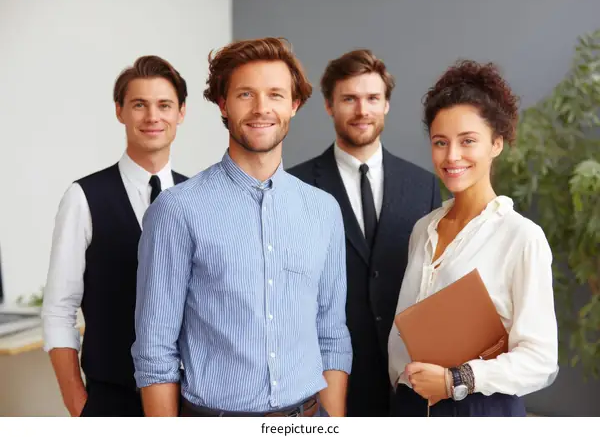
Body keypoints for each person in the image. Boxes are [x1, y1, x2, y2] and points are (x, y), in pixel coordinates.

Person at [131, 37, 353, 418]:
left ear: (295, 105)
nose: (261, 108)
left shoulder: (324, 211)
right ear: (223, 104)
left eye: (276, 95)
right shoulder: (176, 210)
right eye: (246, 94)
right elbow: (155, 350)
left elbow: (331, 334)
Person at [388, 60, 559, 417]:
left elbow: (540, 360)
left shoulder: (521, 237)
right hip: (411, 406)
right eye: (440, 142)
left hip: (479, 408)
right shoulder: (423, 229)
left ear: (497, 143)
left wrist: (456, 379)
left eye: (468, 141)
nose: (452, 156)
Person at [287, 49, 441, 416]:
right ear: (329, 105)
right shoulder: (294, 186)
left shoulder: (424, 185)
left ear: (386, 104)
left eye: (372, 98)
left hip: (409, 378)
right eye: (349, 99)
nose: (362, 110)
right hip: (326, 377)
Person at [41, 55, 189, 417]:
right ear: (120, 111)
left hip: (191, 400)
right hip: (111, 402)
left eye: (164, 105)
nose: (153, 117)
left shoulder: (198, 198)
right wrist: (78, 404)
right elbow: (59, 310)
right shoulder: (83, 197)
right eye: (139, 105)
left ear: (181, 113)